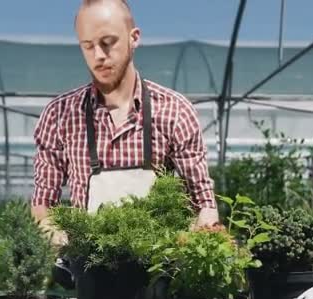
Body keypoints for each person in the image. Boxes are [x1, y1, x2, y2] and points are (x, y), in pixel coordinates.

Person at [31, 0, 219, 244]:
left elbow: (203, 204)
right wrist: (59, 240)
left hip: (160, 268)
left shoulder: (175, 111)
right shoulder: (59, 115)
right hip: (90, 268)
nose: (99, 55)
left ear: (134, 38)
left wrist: (200, 237)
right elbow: (42, 205)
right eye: (88, 46)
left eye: (108, 43)